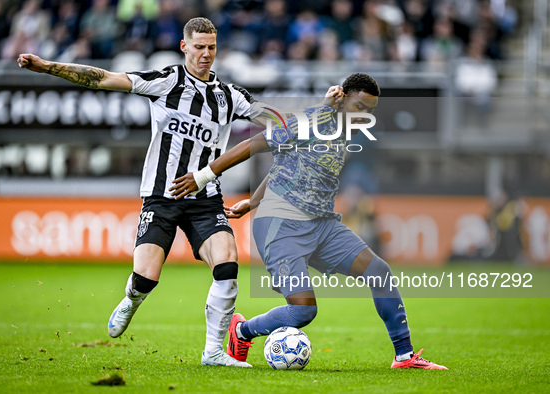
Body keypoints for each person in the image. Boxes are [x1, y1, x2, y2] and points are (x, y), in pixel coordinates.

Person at [17, 17, 276, 368]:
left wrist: (327, 108)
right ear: (184, 47)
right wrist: (49, 67)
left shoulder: (228, 96)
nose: (205, 55)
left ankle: (213, 352)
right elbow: (104, 78)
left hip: (205, 198)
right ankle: (132, 299)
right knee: (145, 279)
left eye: (211, 47)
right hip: (161, 195)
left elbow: (278, 120)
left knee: (228, 266)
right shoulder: (167, 81)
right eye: (198, 47)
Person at [170, 73, 448, 369]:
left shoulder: (347, 131)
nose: (365, 116)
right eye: (361, 107)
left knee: (379, 271)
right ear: (343, 100)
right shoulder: (311, 120)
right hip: (281, 226)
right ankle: (242, 331)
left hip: (322, 225)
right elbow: (255, 143)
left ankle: (404, 357)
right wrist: (203, 176)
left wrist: (252, 202)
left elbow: (284, 163)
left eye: (371, 111)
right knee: (303, 312)